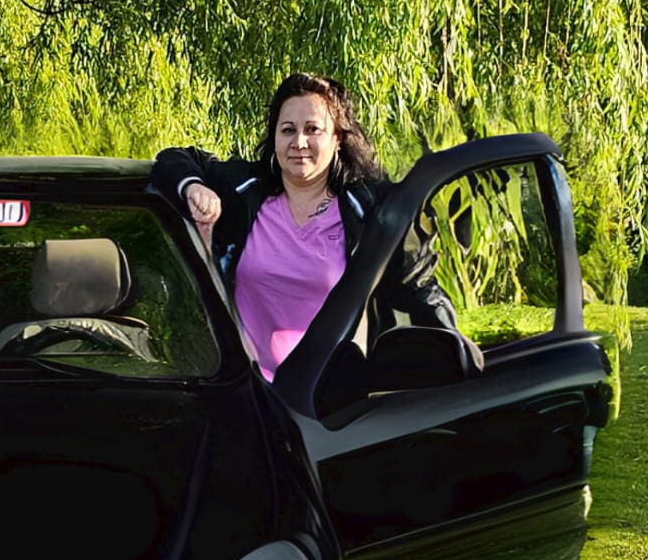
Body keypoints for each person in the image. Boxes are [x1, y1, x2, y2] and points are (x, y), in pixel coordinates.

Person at [151, 72, 457, 380]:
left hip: (331, 395)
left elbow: (418, 287)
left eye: (313, 129)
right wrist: (192, 187)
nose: (298, 142)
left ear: (338, 139)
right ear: (274, 137)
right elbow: (175, 158)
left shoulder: (369, 210)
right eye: (288, 130)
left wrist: (455, 352)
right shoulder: (244, 191)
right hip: (247, 391)